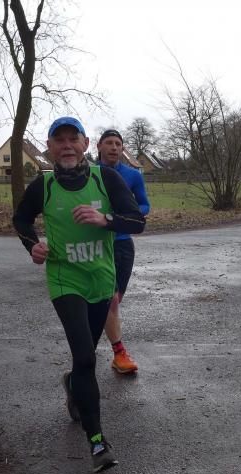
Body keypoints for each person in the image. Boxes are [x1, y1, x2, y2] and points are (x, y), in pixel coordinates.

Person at [12, 117, 146, 473]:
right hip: (64, 280)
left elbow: (137, 221)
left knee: (85, 359)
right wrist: (32, 245)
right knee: (85, 356)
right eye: (60, 140)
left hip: (100, 280)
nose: (67, 145)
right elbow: (21, 220)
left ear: (86, 144)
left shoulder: (107, 179)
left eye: (74, 139)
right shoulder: (43, 185)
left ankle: (73, 384)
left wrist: (105, 219)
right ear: (49, 147)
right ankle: (98, 442)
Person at [96, 129, 150, 374]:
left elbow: (144, 204)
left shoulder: (133, 175)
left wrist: (124, 215)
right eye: (109, 143)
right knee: (109, 299)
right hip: (97, 242)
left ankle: (108, 348)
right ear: (98, 146)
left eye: (118, 144)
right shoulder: (89, 174)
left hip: (122, 243)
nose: (114, 147)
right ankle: (118, 352)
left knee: (115, 299)